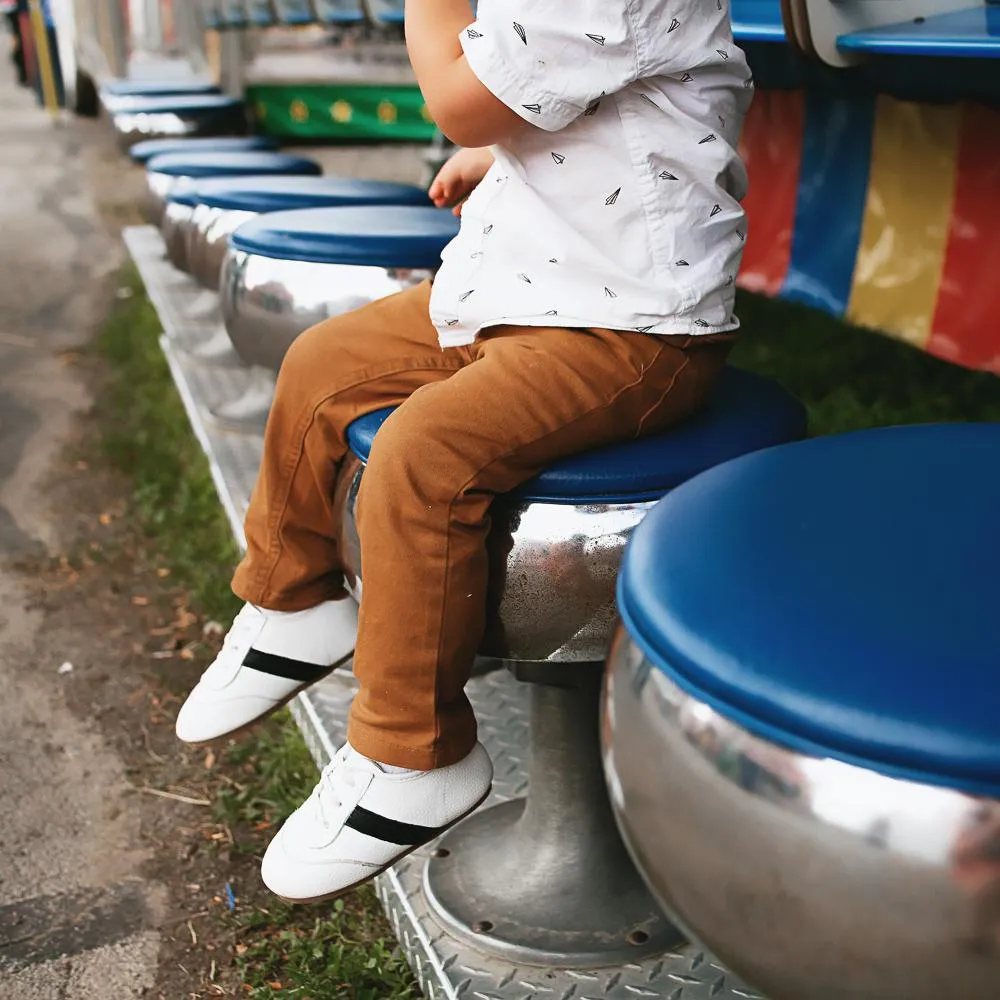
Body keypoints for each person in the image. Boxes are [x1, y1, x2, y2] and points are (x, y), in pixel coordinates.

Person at [175, 0, 753, 904]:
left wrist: (459, 75)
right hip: (516, 292)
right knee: (321, 364)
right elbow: (583, 92)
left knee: (421, 457)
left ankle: (413, 754)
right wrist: (497, 148)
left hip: (629, 329)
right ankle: (294, 598)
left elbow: (462, 95)